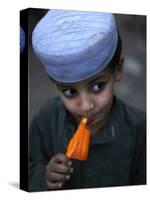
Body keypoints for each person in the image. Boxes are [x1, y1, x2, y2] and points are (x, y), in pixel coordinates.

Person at [29, 9, 146, 192]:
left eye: (98, 86)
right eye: (69, 91)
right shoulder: (46, 118)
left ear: (118, 69)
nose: (86, 106)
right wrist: (44, 176)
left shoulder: (140, 129)